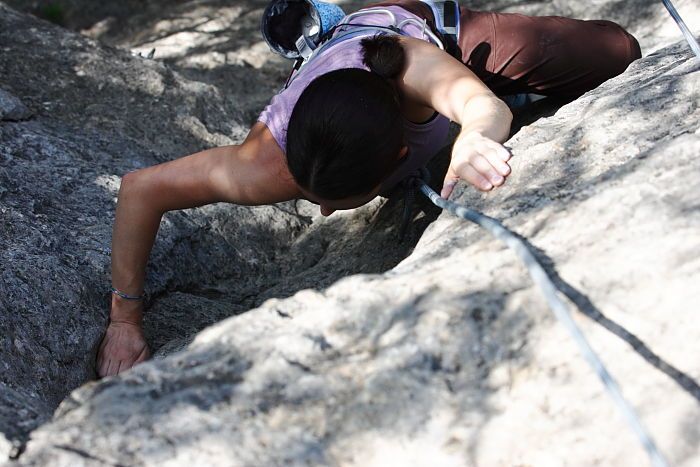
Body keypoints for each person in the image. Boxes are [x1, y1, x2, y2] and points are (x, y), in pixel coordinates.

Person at [96, 0, 641, 377]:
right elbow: (141, 189)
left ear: (399, 155)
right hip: (357, 61)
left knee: (618, 50)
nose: (327, 211)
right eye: (312, 197)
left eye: (333, 198)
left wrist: (473, 137)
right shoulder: (260, 164)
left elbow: (482, 108)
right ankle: (329, 39)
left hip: (418, 28)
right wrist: (125, 319)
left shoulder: (416, 67)